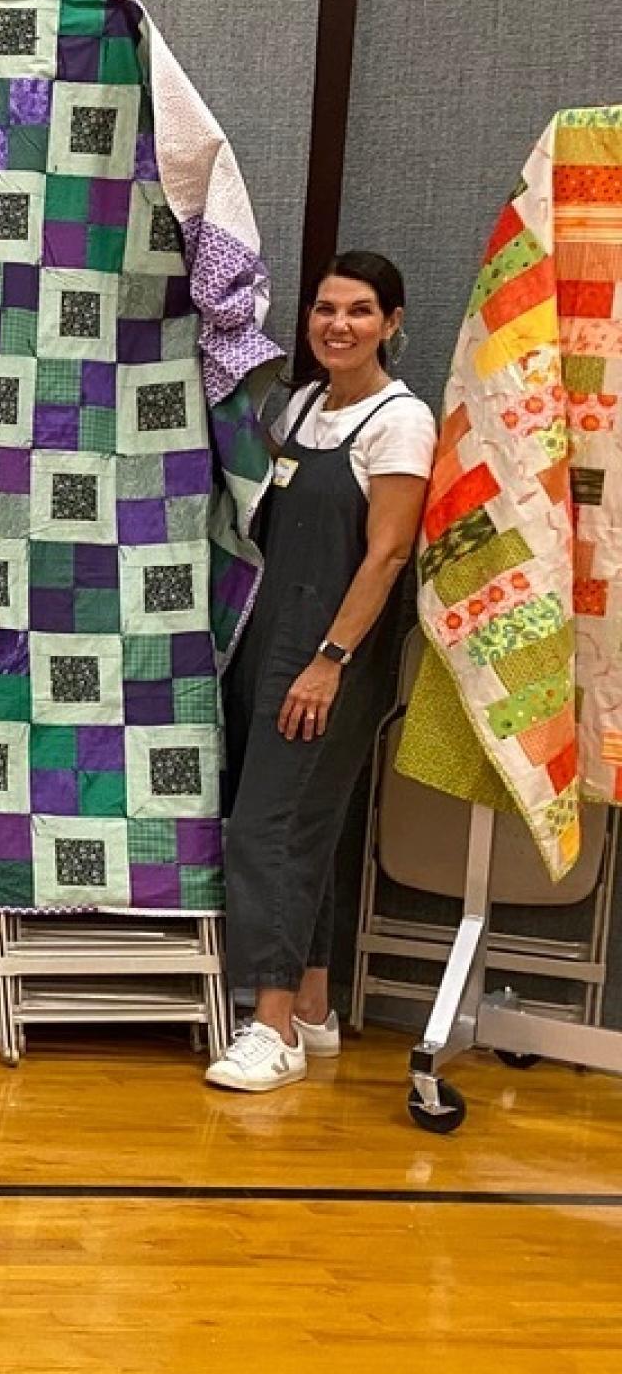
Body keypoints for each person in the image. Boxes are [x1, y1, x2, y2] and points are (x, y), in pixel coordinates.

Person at [205, 252, 433, 1093]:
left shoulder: (399, 422)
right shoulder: (298, 405)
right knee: (307, 828)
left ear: (393, 323)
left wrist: (330, 662)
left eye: (362, 311)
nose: (339, 324)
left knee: (266, 831)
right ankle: (311, 1005)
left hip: (332, 654)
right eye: (326, 309)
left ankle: (271, 1032)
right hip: (269, 640)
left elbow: (388, 555)